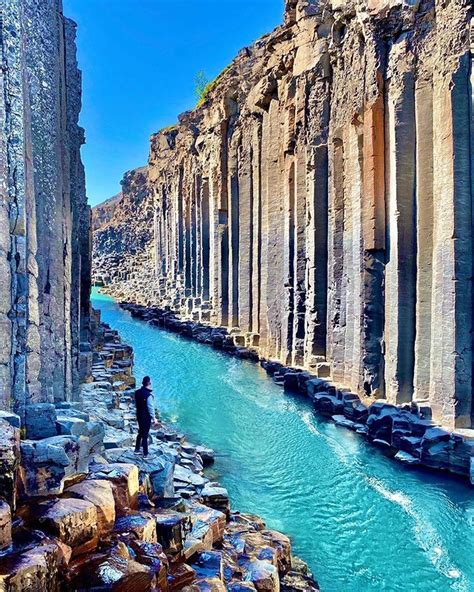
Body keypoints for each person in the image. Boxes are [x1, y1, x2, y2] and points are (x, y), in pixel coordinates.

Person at [134, 376, 158, 458]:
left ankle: (137, 449)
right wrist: (154, 418)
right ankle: (145, 454)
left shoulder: (137, 392)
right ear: (149, 383)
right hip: (146, 417)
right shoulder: (148, 396)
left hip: (139, 415)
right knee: (145, 435)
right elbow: (150, 407)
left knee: (140, 431)